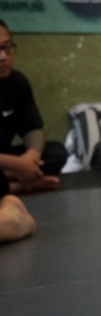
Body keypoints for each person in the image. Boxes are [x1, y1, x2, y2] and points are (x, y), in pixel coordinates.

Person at [0, 20, 66, 193]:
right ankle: (17, 185)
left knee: (56, 152)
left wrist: (31, 158)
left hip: (9, 159)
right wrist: (16, 165)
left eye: (7, 48)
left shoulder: (17, 82)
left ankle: (12, 177)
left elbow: (32, 128)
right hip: (6, 162)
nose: (3, 57)